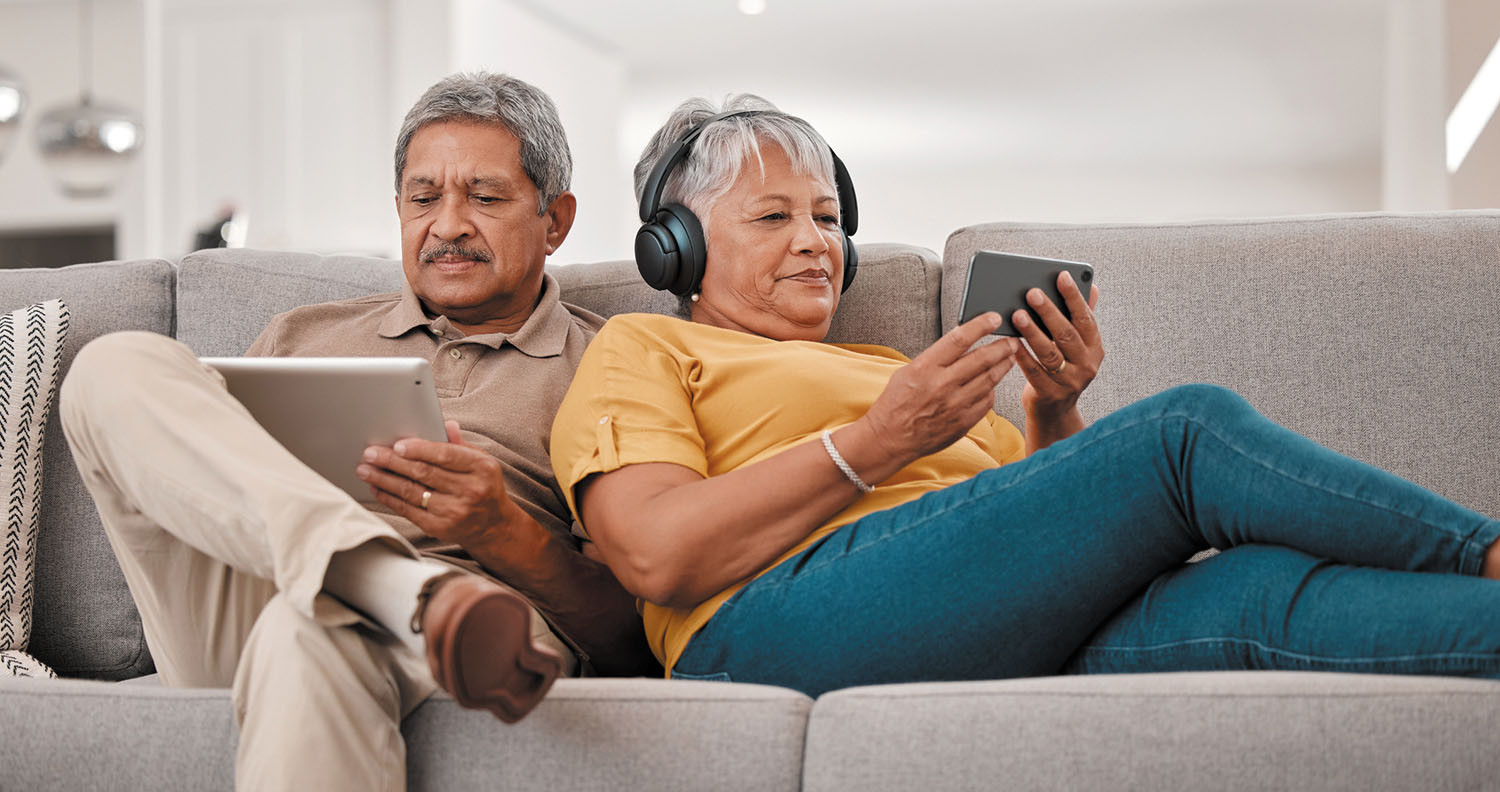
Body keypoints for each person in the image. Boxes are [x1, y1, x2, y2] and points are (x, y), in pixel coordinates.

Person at [548, 95, 1500, 697]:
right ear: (678, 249)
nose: (816, 243)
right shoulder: (645, 346)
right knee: (1182, 433)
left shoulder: (894, 369)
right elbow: (655, 553)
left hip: (957, 618)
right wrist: (876, 443)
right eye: (773, 217)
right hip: (764, 631)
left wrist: (1052, 409)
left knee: (1256, 599)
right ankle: (1484, 550)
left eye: (828, 219)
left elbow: (1042, 549)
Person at [60, 72, 654, 791]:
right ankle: (377, 577)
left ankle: (385, 591)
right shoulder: (303, 334)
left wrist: (504, 531)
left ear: (554, 219)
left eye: (486, 197)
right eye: (423, 198)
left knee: (308, 629)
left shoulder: (613, 365)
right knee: (113, 364)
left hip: (475, 624)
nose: (448, 226)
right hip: (247, 599)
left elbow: (633, 636)